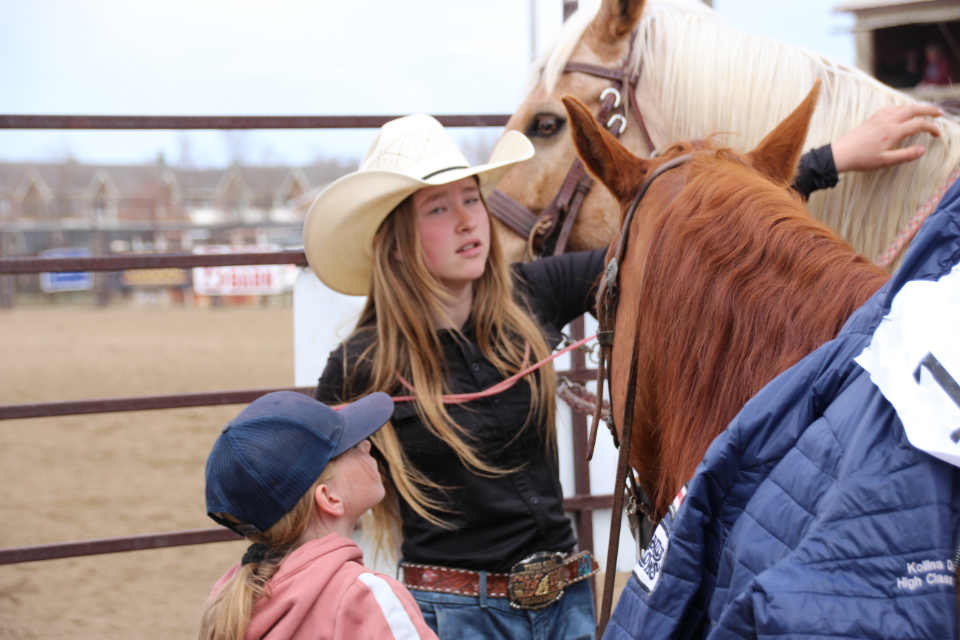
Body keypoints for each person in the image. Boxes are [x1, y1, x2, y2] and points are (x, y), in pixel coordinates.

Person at [302, 106, 941, 640]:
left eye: (471, 198)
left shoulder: (527, 298)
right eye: (438, 209)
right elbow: (306, 499)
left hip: (568, 606)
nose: (469, 219)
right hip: (457, 617)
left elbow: (677, 232)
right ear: (397, 240)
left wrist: (826, 160)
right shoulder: (363, 363)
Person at [197, 390, 439, 640]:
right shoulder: (367, 597)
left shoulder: (230, 599)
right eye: (353, 446)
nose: (367, 444)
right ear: (330, 498)